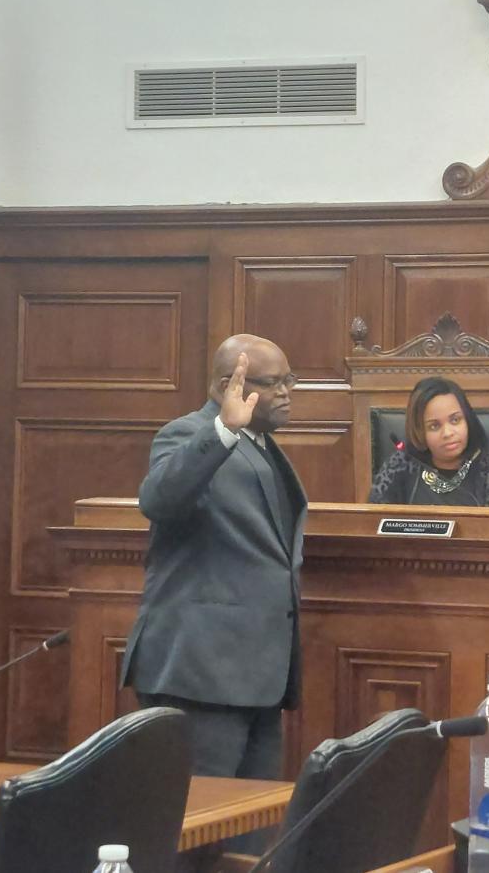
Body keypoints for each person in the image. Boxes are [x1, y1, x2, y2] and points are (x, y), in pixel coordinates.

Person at [121, 333, 306, 787]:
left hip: (258, 673)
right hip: (201, 672)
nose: (285, 393)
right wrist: (222, 430)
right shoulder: (190, 434)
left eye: (289, 381)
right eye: (272, 383)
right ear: (231, 384)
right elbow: (158, 498)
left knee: (249, 825)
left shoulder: (263, 445)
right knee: (196, 823)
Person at [367, 376, 489, 507]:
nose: (447, 433)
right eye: (434, 426)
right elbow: (374, 531)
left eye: (455, 420)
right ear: (419, 431)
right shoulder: (399, 467)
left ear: (468, 420)